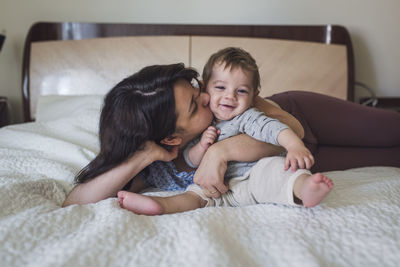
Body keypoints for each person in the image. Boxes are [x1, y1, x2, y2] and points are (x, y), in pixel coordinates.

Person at [117, 48, 333, 215]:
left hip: (252, 175)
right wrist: (202, 148)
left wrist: (294, 146)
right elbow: (188, 160)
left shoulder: (247, 115)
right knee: (195, 195)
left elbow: (277, 129)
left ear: (253, 95)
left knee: (277, 172)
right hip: (222, 187)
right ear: (206, 86)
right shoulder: (199, 127)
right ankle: (160, 204)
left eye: (241, 91)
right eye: (220, 88)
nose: (230, 97)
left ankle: (304, 189)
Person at [62, 63, 304, 207]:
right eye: (194, 105)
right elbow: (74, 203)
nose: (207, 97)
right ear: (170, 138)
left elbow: (297, 130)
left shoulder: (225, 107)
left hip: (302, 114)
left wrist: (220, 151)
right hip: (312, 162)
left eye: (196, 89)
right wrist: (143, 156)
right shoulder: (159, 169)